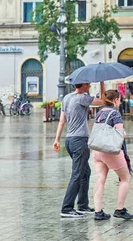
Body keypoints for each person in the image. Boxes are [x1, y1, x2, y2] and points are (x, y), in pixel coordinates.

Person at [53, 81, 105, 218]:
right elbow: (103, 101)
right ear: (82, 86)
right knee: (77, 174)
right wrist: (102, 83)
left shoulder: (67, 98)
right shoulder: (83, 98)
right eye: (87, 84)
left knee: (85, 172)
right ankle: (66, 208)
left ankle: (82, 206)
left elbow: (62, 121)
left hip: (70, 140)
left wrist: (57, 139)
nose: (89, 86)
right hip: (80, 141)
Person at [91, 90, 133, 220]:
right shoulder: (115, 113)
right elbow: (119, 134)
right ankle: (120, 209)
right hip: (110, 151)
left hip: (97, 150)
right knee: (125, 178)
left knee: (100, 179)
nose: (119, 102)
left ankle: (98, 212)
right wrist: (124, 132)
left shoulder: (99, 112)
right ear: (115, 100)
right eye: (119, 99)